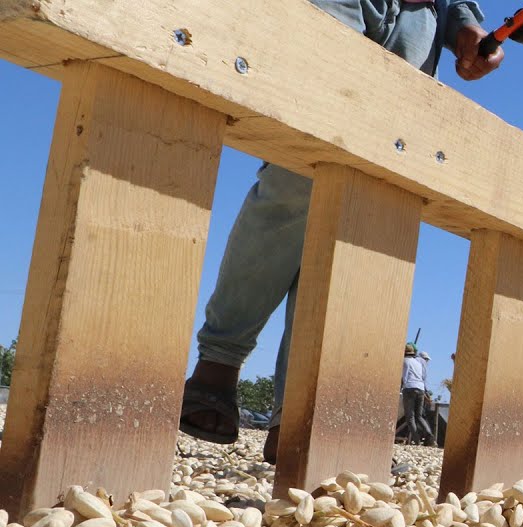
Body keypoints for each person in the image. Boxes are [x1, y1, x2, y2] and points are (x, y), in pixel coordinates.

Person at [178, 0, 504, 462]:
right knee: (296, 174)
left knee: (362, 211)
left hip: (421, 13)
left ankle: (299, 411)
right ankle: (220, 362)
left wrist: (464, 24)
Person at [401, 343, 432, 445]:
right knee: (419, 416)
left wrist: (401, 387)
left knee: (410, 417)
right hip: (421, 389)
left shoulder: (405, 361)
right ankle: (430, 435)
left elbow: (405, 377)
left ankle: (417, 440)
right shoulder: (418, 363)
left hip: (410, 388)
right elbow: (421, 377)